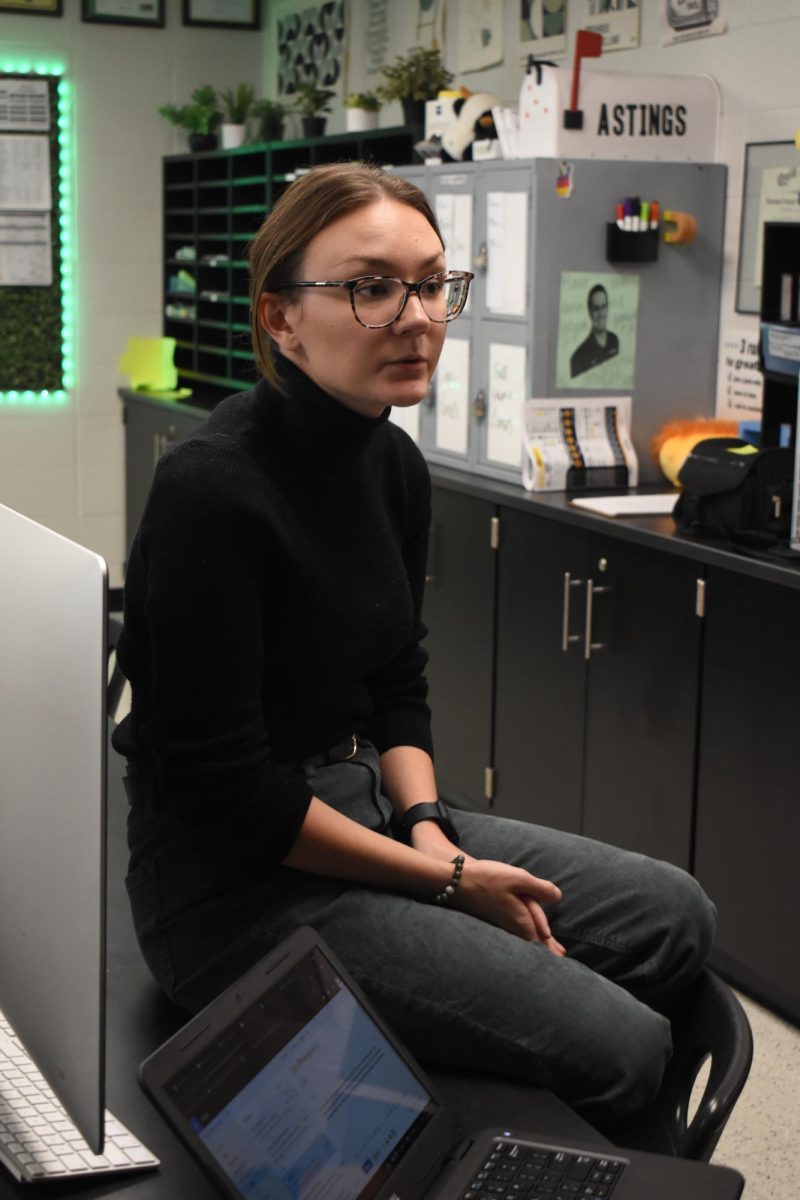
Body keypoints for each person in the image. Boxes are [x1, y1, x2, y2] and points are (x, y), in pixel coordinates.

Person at [113, 162, 715, 1135]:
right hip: (232, 894)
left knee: (673, 912)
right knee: (628, 1049)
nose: (415, 316)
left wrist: (429, 826)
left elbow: (394, 677)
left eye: (432, 283)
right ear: (279, 318)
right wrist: (444, 881)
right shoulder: (210, 493)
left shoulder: (390, 462)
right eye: (369, 286)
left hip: (364, 816)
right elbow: (231, 797)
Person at [570, 283, 620, 378]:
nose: (601, 313)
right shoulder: (578, 358)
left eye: (604, 306)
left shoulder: (615, 340)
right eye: (596, 309)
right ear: (589, 312)